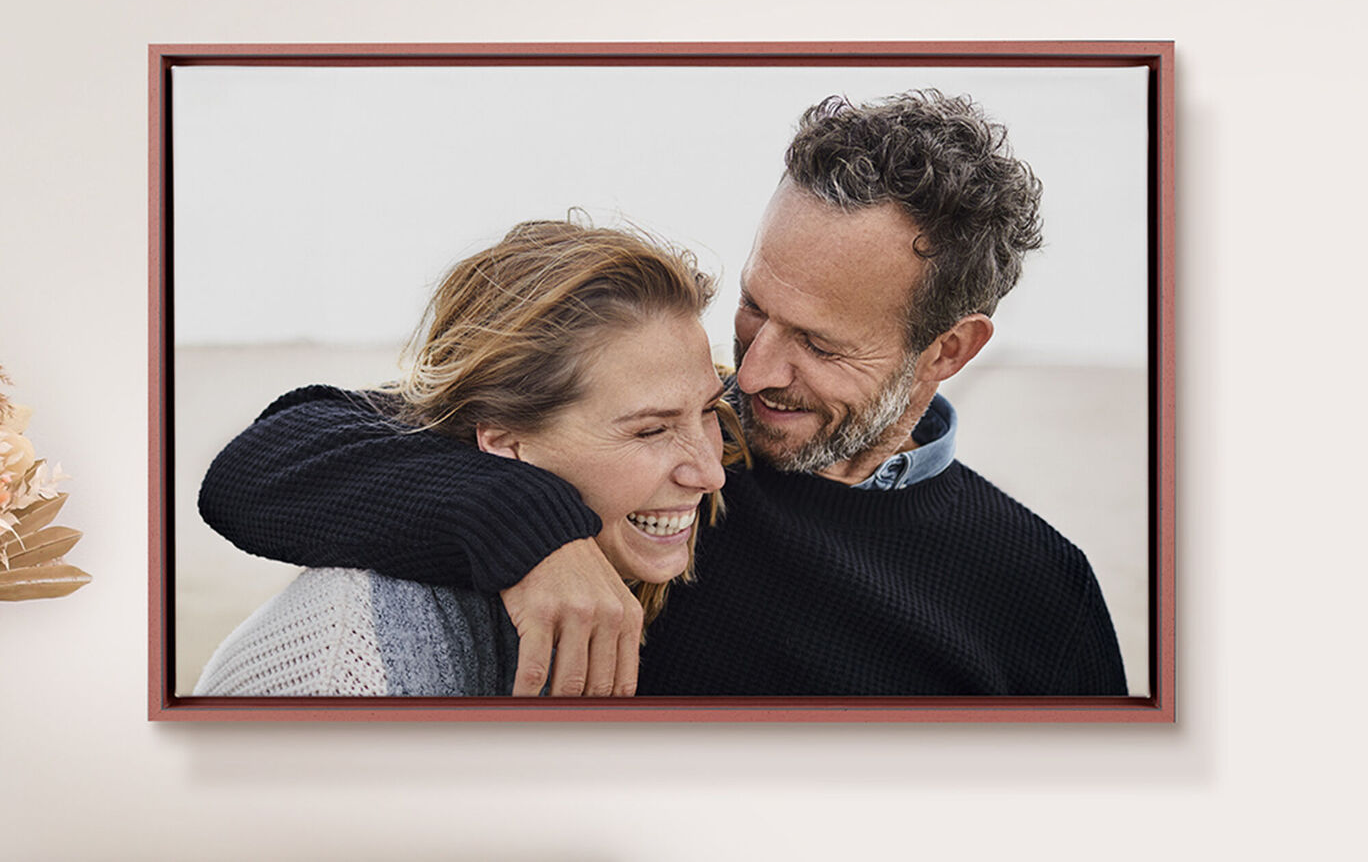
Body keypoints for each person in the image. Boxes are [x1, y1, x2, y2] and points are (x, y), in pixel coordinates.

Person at [199, 89, 1127, 697]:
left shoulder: (1044, 590)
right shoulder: (650, 449)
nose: (754, 373)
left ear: (949, 350)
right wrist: (531, 532)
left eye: (818, 344)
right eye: (758, 310)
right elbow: (269, 461)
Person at [195, 219, 737, 695]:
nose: (711, 472)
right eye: (650, 431)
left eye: (710, 408)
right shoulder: (353, 659)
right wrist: (522, 522)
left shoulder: (762, 450)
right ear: (502, 445)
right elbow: (261, 462)